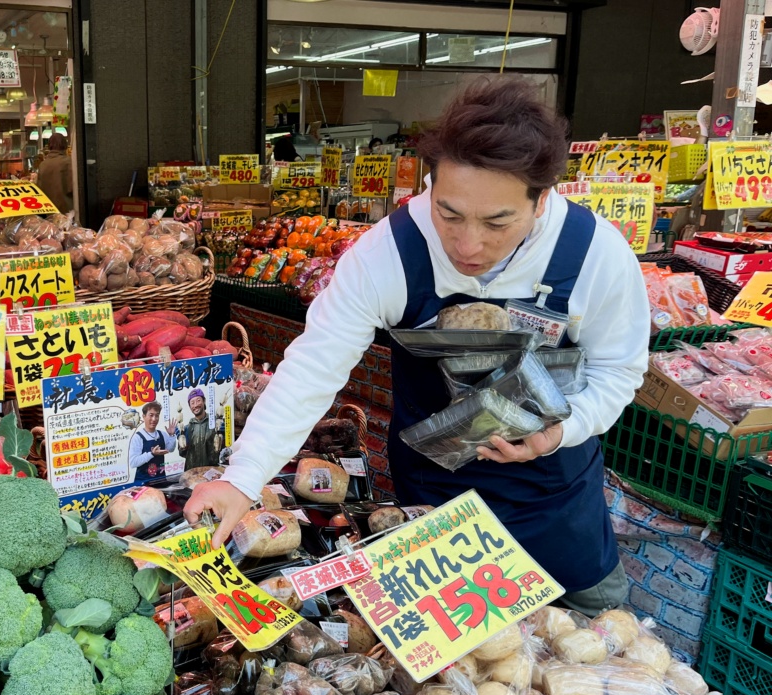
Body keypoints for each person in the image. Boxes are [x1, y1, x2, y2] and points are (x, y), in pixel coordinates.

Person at [185, 78, 649, 616]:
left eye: (497, 222)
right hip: (432, 501)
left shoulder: (597, 254)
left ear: (542, 198)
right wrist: (242, 479)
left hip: (553, 500)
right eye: (448, 214)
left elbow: (619, 370)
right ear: (430, 182)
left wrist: (561, 431)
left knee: (596, 643)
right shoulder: (386, 252)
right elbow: (313, 367)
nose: (468, 244)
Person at [128, 402, 175, 484]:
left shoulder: (162, 434)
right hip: (143, 484)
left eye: (157, 415)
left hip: (161, 480)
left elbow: (170, 449)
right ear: (144, 416)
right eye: (151, 415)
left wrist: (171, 435)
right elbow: (133, 462)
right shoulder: (138, 437)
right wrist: (151, 454)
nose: (154, 419)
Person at [177, 389, 220, 470]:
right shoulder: (187, 428)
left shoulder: (215, 423)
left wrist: (224, 434)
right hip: (192, 472)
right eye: (192, 403)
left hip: (211, 471)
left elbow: (223, 449)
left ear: (204, 401)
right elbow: (182, 453)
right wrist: (182, 446)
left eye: (198, 400)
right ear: (190, 407)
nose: (195, 405)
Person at [36, 133, 72, 213]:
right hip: (66, 211)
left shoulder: (43, 165)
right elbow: (73, 188)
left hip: (49, 211)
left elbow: (39, 189)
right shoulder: (69, 162)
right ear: (65, 145)